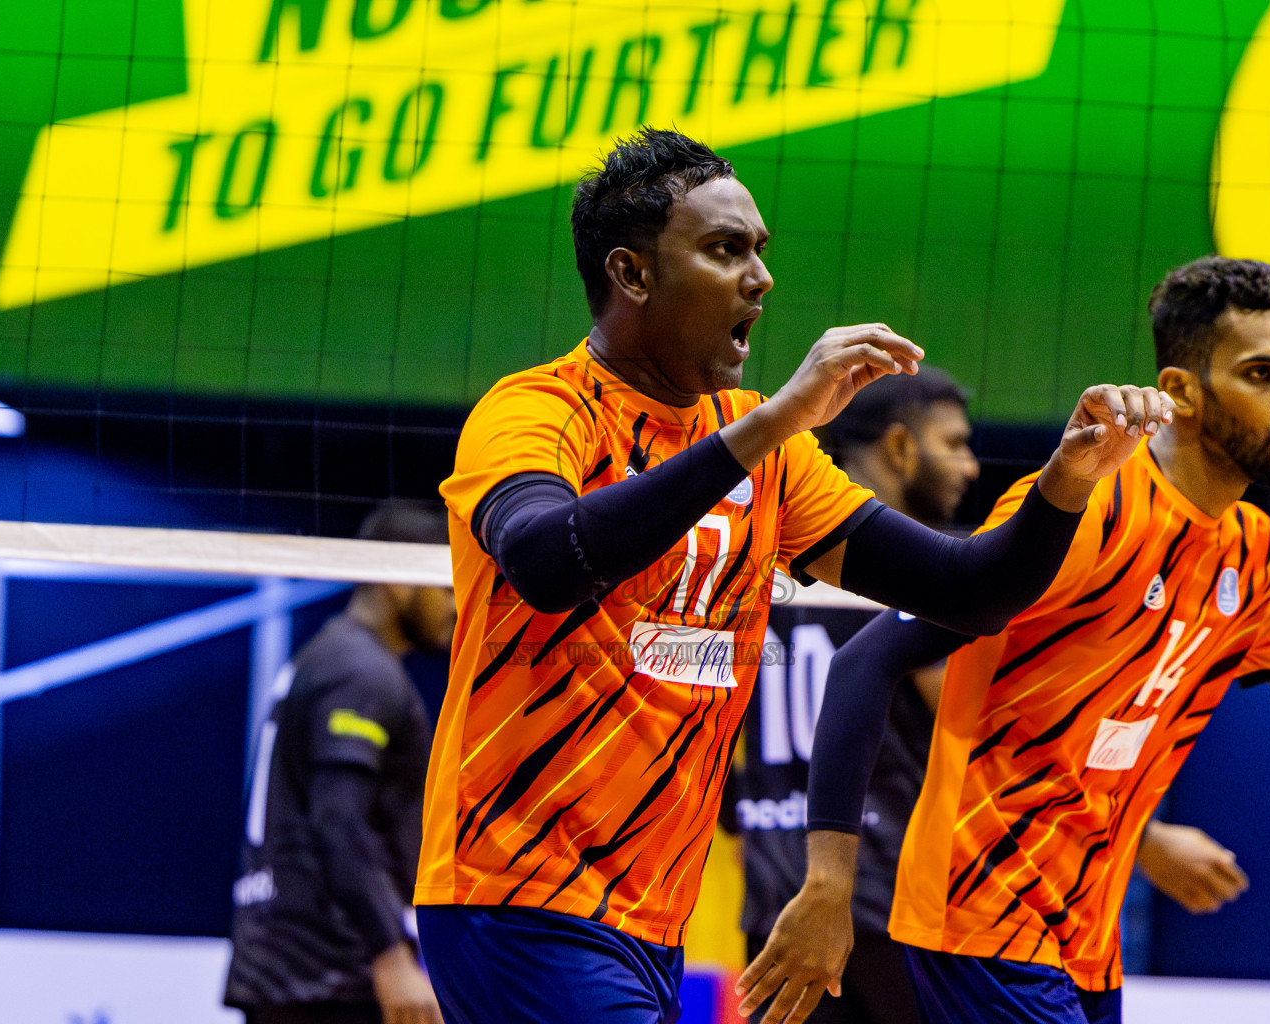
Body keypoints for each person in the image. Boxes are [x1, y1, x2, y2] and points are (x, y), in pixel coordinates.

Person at [411, 126, 1174, 1024]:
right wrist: (768, 425)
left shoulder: (765, 454)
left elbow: (969, 592)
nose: (761, 278)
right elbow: (547, 561)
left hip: (655, 917)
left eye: (760, 252)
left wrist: (1067, 481)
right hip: (512, 889)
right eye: (725, 250)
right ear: (634, 275)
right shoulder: (536, 411)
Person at [739, 256, 1270, 1024]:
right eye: (1262, 375)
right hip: (978, 913)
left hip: (1087, 938)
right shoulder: (1092, 508)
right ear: (1182, 392)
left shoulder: (1252, 555)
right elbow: (868, 658)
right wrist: (825, 883)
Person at [728, 370, 1246, 1024]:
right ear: (899, 448)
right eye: (954, 444)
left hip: (781, 895)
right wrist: (1150, 840)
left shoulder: (772, 568)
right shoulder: (930, 579)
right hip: (890, 904)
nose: (971, 466)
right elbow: (1015, 736)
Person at [225, 500, 455, 1024]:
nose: (457, 605)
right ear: (397, 580)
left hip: (291, 963)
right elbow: (339, 819)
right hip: (327, 972)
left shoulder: (327, 655)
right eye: (445, 586)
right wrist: (391, 955)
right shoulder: (360, 671)